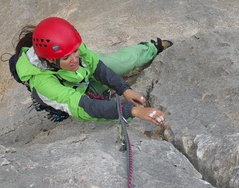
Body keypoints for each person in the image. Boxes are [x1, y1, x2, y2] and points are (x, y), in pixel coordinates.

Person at [14, 16, 173, 125]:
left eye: (75, 52)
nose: (74, 59)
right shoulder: (43, 83)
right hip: (67, 88)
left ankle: (151, 48)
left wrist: (124, 89)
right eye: (66, 58)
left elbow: (96, 66)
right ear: (49, 59)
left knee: (122, 63)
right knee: (101, 106)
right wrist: (133, 111)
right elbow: (85, 107)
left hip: (81, 75)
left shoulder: (70, 45)